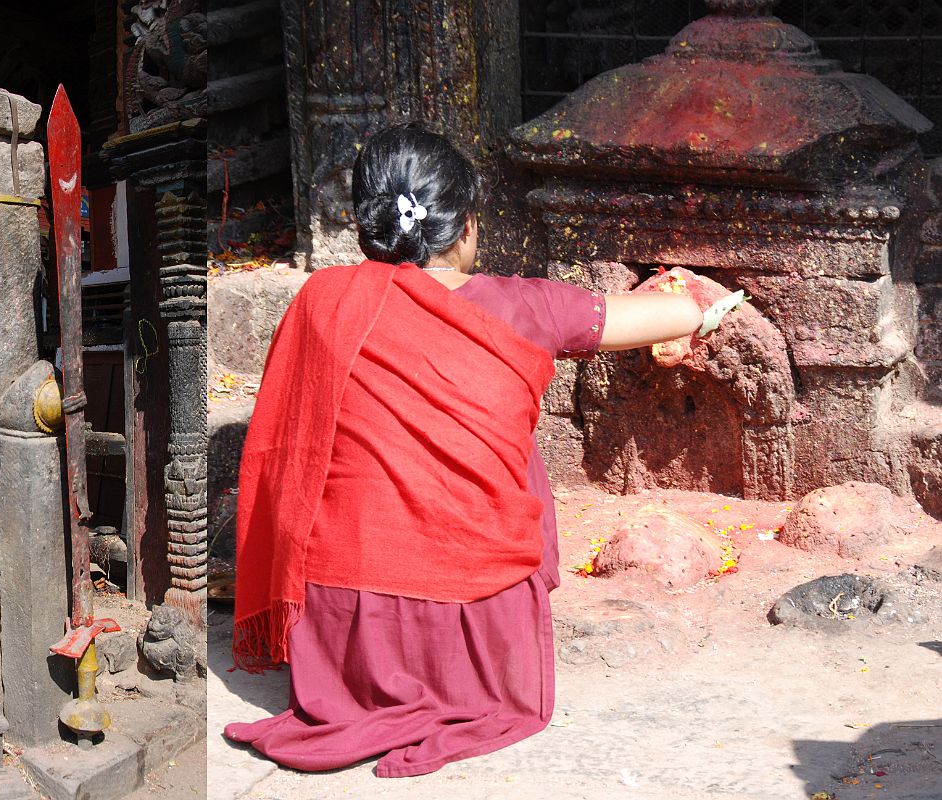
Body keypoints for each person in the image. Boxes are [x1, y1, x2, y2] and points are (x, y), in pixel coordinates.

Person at [224, 125, 741, 778]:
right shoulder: (528, 306)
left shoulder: (322, 303)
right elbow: (674, 315)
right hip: (477, 622)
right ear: (466, 228)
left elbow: (282, 456)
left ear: (369, 225)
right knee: (511, 459)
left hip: (343, 628)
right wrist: (691, 293)